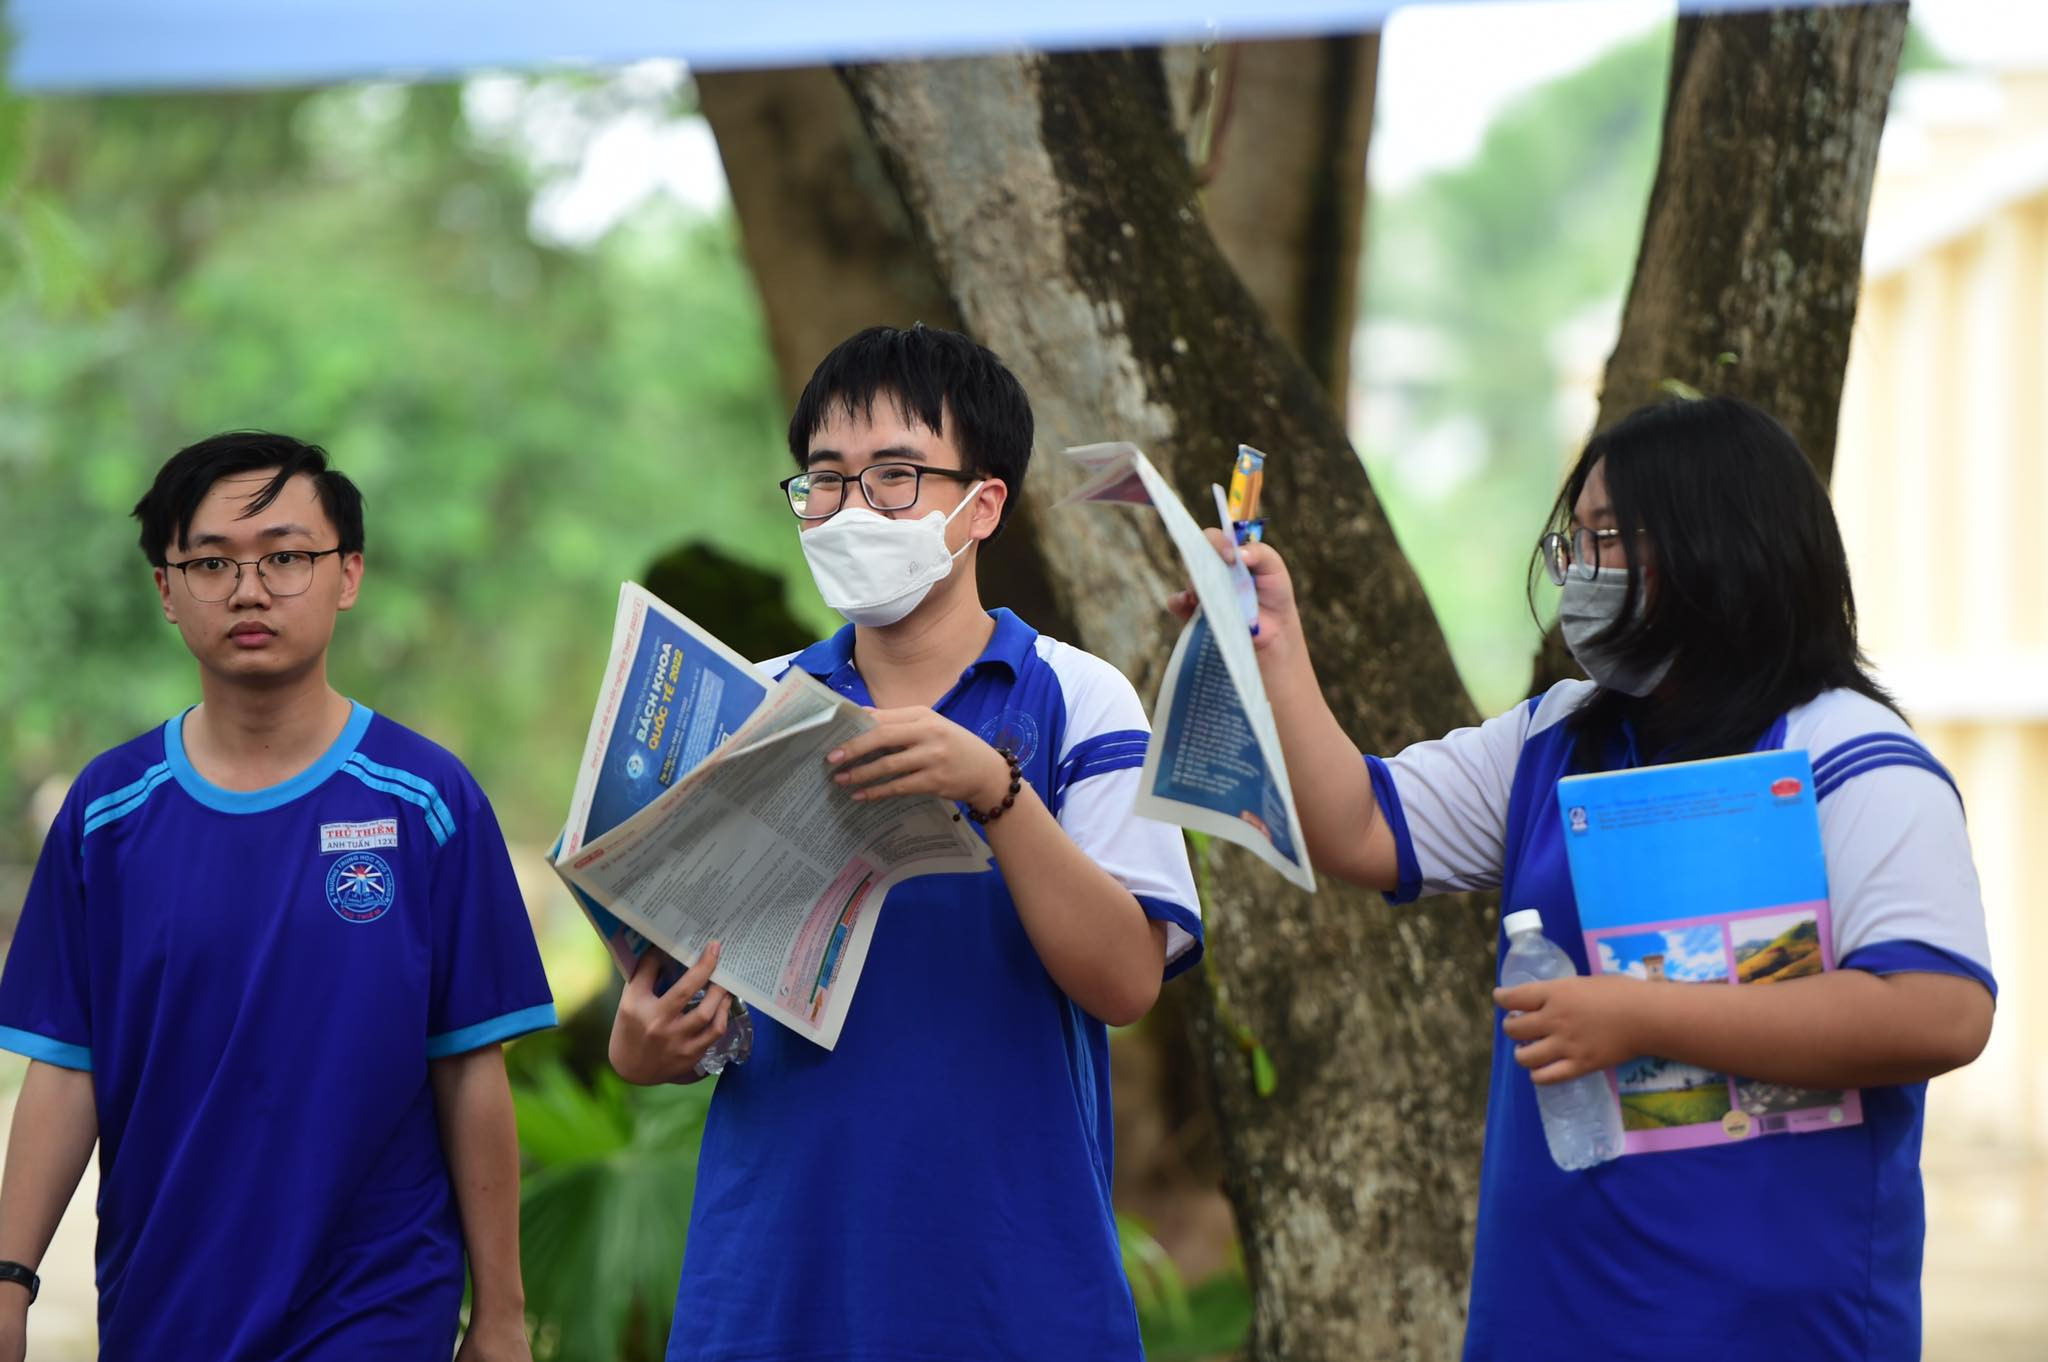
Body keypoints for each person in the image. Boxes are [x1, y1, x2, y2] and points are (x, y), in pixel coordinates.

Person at [1171, 396, 1995, 1361]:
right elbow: (1359, 826)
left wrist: (1639, 1016)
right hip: (1553, 1310)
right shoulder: (1556, 736)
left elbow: (1939, 1012)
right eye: (1577, 539)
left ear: (1718, 547)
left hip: (1772, 1325)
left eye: (1611, 538)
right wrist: (1271, 640)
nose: (1580, 571)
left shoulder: (1854, 758)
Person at [609, 324, 1203, 1362]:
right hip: (771, 1279)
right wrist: (643, 1043)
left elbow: (1124, 985)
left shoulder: (1077, 697)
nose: (848, 509)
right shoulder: (750, 702)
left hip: (1008, 1277)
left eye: (893, 477)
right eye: (825, 480)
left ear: (982, 506)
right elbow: (667, 1005)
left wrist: (997, 793)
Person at [0, 433, 555, 1362]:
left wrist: (499, 1317)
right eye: (211, 562)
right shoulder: (108, 812)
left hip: (375, 1309)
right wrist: (11, 1280)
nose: (249, 589)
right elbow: (66, 1067)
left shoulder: (427, 801)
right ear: (165, 591)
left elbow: (470, 1070)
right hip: (164, 1305)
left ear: (348, 575)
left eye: (286, 558)